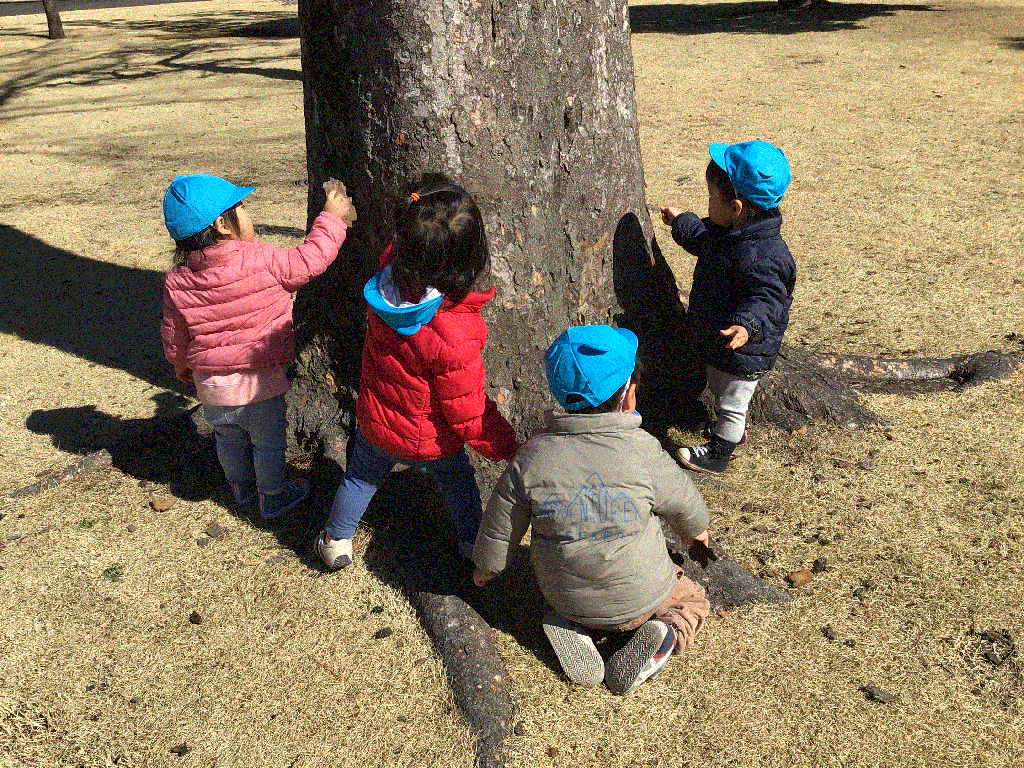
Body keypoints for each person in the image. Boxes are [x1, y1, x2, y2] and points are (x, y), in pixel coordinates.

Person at [473, 325, 711, 695]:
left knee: (570, 598)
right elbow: (684, 502)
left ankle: (573, 628)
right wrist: (699, 533)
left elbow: (500, 525)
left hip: (566, 597)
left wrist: (486, 569)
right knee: (692, 599)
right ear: (629, 396)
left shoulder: (532, 456)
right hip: (642, 593)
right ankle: (666, 632)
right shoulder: (641, 449)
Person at [315, 174, 519, 571]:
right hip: (433, 440)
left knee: (359, 479)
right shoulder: (455, 330)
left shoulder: (385, 280)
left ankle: (335, 540)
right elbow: (469, 412)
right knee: (458, 483)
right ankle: (470, 542)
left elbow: (397, 248)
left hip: (378, 421)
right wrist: (507, 447)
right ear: (468, 262)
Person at [161, 173, 355, 520]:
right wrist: (331, 218)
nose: (247, 215)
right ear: (223, 224)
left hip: (212, 388)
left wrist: (179, 364)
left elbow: (174, 330)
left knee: (228, 439)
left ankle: (240, 488)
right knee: (269, 444)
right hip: (261, 385)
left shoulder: (178, 281)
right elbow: (311, 259)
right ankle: (272, 496)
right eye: (242, 208)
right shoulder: (263, 260)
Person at [661, 140, 796, 474]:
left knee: (732, 402)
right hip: (721, 341)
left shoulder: (767, 256)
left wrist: (745, 325)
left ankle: (720, 454)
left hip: (744, 347)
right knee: (721, 390)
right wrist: (681, 221)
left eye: (710, 197)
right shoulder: (729, 234)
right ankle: (731, 435)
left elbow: (767, 300)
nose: (707, 204)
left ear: (736, 207)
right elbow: (701, 238)